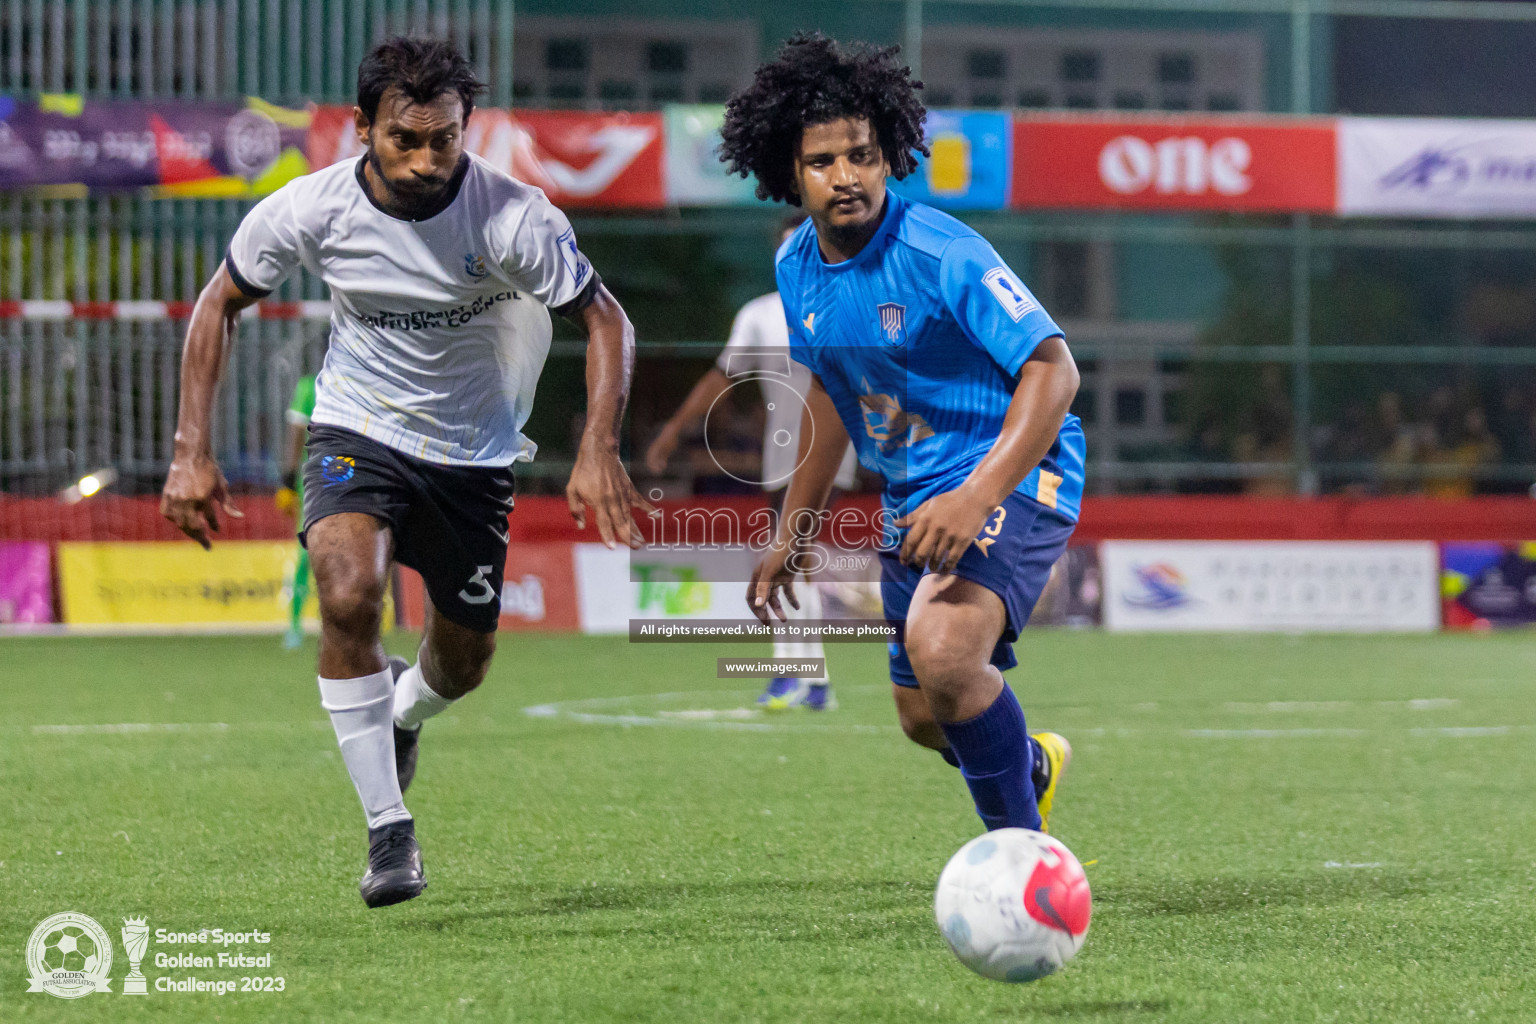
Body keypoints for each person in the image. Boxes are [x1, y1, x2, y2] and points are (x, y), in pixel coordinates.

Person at [160, 37, 651, 908]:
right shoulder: (309, 209)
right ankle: (389, 832)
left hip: (475, 453)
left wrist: (598, 445)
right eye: (405, 139)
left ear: (468, 129)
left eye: (446, 140)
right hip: (358, 427)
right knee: (348, 594)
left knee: (463, 664)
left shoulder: (517, 217)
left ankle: (403, 708)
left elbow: (606, 321)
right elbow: (218, 302)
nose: (427, 160)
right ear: (363, 130)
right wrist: (190, 449)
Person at [725, 34, 1084, 834]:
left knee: (950, 653)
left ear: (889, 156)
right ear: (789, 173)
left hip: (1016, 466)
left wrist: (976, 494)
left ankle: (1023, 867)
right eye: (823, 162)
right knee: (924, 714)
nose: (846, 176)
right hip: (915, 492)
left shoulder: (942, 250)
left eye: (863, 154)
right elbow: (825, 398)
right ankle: (1030, 765)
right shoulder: (796, 269)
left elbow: (1055, 372)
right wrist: (795, 530)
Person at [644, 212, 859, 711]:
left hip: (829, 454)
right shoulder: (759, 314)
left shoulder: (844, 307)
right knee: (791, 560)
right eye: (787, 245)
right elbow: (721, 378)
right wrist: (674, 432)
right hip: (781, 457)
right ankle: (811, 681)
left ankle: (796, 676)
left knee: (791, 558)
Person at [275, 373, 316, 649]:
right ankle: (295, 623)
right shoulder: (309, 386)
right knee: (306, 551)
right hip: (314, 479)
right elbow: (297, 430)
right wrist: (289, 479)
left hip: (346, 473)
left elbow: (295, 432)